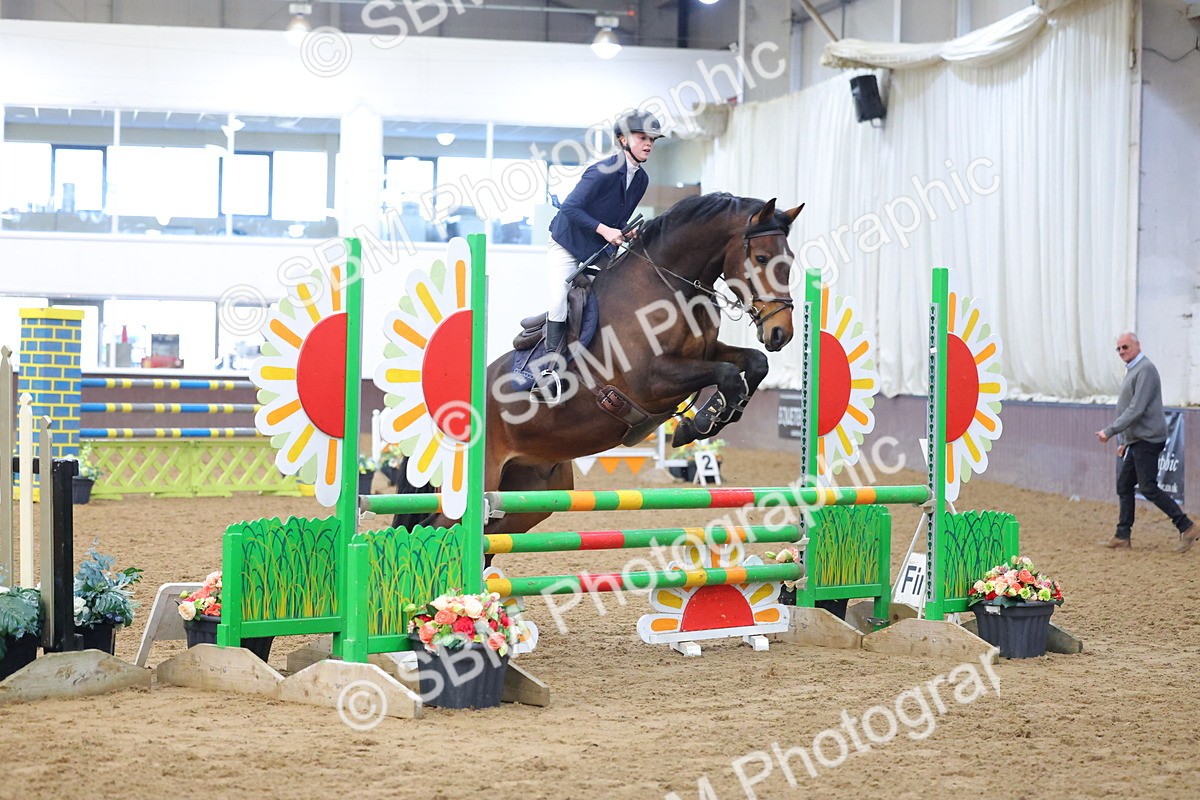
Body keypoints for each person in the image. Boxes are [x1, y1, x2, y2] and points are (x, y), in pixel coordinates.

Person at [533, 110, 664, 403]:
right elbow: (569, 208)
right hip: (567, 245)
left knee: (615, 299)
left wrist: (622, 233)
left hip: (598, 252)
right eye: (643, 138)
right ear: (623, 139)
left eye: (652, 140)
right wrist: (606, 230)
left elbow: (617, 219)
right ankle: (548, 373)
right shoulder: (601, 170)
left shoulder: (641, 179)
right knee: (558, 299)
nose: (648, 144)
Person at [1096, 332, 1197, 552]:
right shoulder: (1134, 370)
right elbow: (1129, 409)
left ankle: (1187, 526)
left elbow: (1136, 409)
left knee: (1148, 487)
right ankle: (1122, 535)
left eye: (1126, 347)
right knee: (1124, 485)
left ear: (1137, 345)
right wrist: (1124, 439)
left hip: (1147, 440)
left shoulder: (1146, 370)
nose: (1122, 351)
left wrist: (1111, 431)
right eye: (1119, 348)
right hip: (1136, 440)